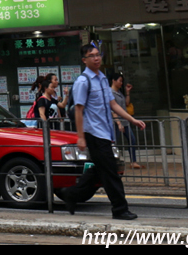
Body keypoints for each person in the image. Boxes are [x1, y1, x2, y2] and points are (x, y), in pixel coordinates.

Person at [56, 44, 146, 220]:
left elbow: (113, 104)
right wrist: (80, 137)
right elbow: (79, 110)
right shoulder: (83, 82)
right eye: (92, 56)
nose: (96, 58)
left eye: (98, 55)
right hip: (93, 133)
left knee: (100, 169)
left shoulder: (103, 78)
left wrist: (132, 120)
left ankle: (71, 194)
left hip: (105, 132)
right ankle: (119, 209)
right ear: (84, 60)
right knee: (111, 171)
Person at [111, 72, 141, 169]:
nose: (121, 83)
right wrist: (118, 123)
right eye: (119, 81)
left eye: (122, 81)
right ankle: (113, 161)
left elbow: (126, 103)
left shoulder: (120, 92)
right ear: (113, 80)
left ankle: (133, 161)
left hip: (125, 121)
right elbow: (112, 110)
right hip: (116, 122)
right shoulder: (110, 93)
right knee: (115, 142)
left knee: (132, 140)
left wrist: (127, 93)